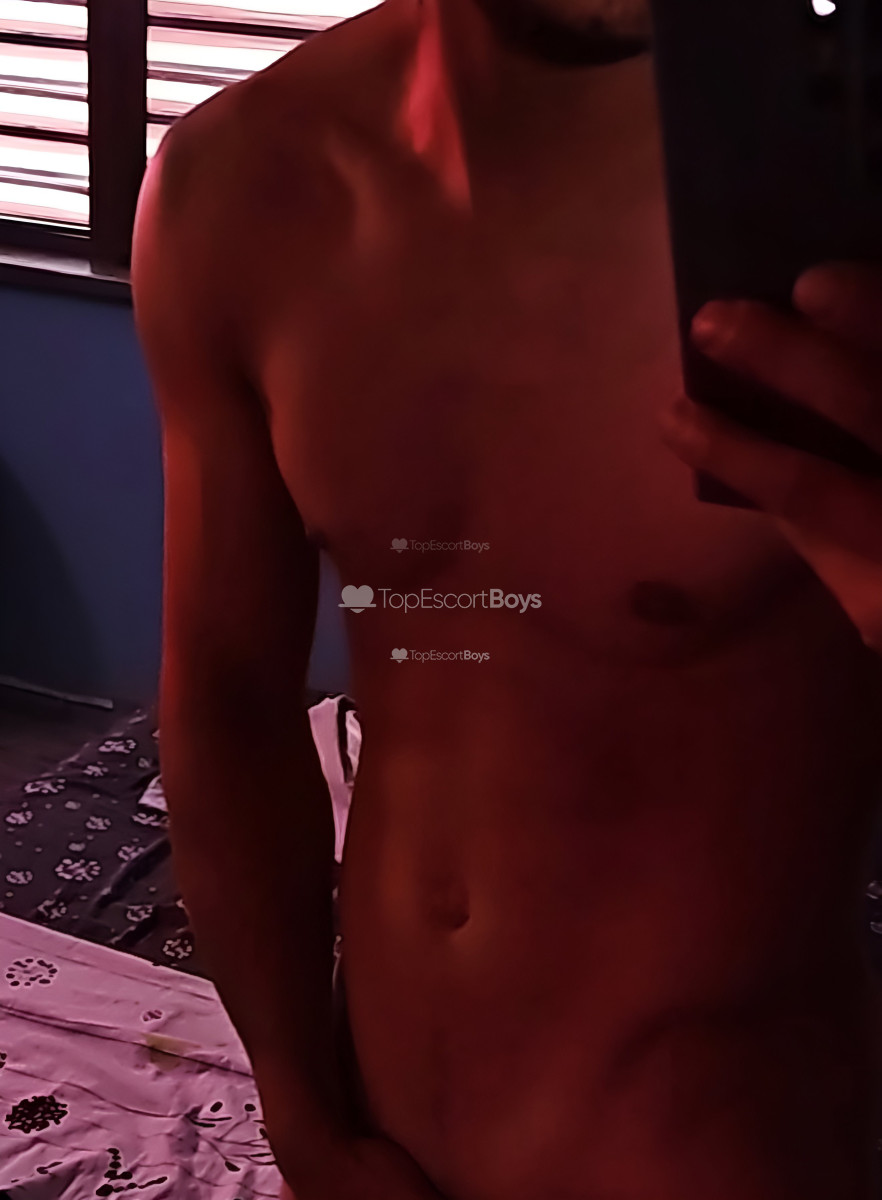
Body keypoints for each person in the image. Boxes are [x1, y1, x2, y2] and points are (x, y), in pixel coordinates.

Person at [129, 0, 882, 1193]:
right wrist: (301, 1112)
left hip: (710, 1149)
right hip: (380, 1131)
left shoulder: (841, 199)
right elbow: (226, 699)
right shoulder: (240, 183)